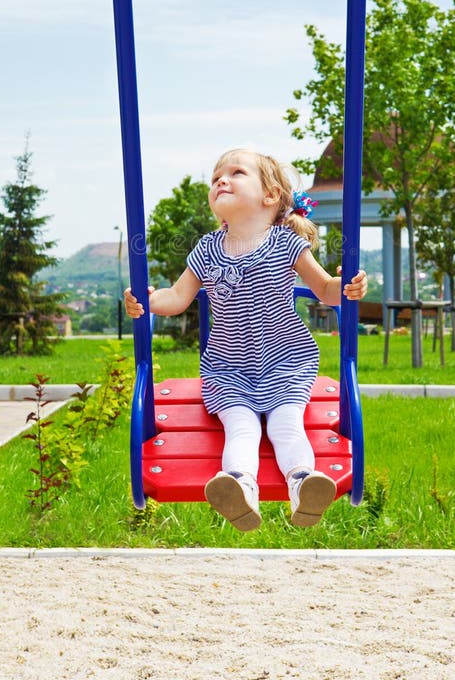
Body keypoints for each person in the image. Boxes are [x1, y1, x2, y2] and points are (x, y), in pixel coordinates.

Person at [125, 148, 367, 531]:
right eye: (215, 177)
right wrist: (147, 300)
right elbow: (176, 298)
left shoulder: (286, 243)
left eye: (236, 172)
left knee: (286, 424)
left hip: (286, 363)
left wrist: (347, 285)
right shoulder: (206, 250)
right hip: (227, 371)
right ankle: (239, 487)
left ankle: (303, 484)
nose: (221, 180)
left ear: (269, 195)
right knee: (242, 427)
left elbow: (323, 289)